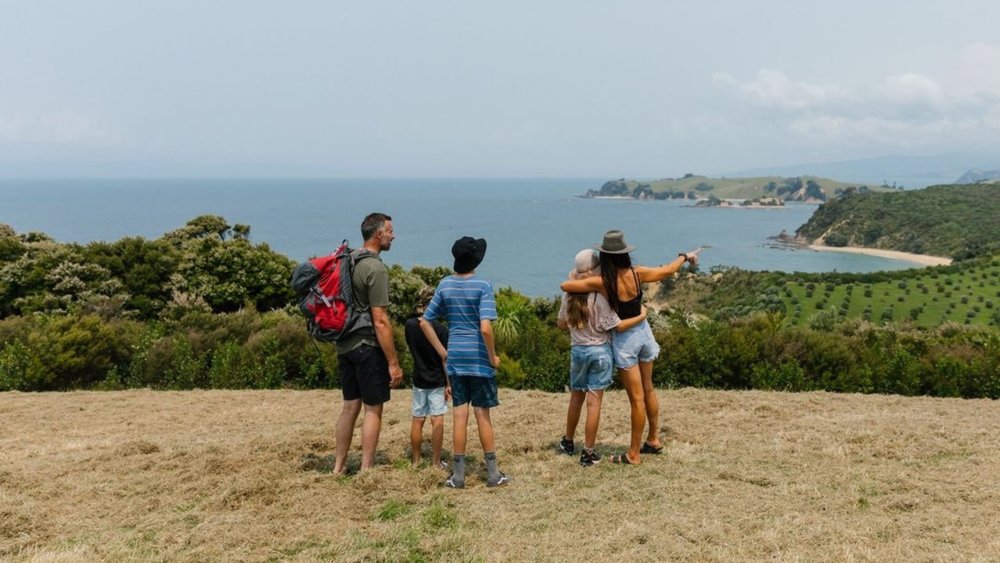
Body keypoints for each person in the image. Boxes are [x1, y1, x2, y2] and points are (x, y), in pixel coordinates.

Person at [560, 230, 699, 465]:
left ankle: (633, 454)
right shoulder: (638, 272)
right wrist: (685, 256)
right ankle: (653, 439)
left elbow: (567, 286)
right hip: (645, 333)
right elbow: (666, 271)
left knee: (636, 399)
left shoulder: (603, 282)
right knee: (648, 389)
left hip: (625, 339)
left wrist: (576, 275)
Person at [420, 236, 510, 488]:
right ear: (476, 260)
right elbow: (485, 329)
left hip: (456, 356)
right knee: (482, 414)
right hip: (479, 359)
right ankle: (493, 474)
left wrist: (443, 352)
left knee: (460, 414)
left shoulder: (444, 285)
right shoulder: (483, 286)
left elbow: (425, 322)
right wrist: (492, 357)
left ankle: (458, 476)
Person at [556, 249, 649, 466]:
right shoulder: (600, 296)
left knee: (576, 398)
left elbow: (561, 323)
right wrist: (641, 315)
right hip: (600, 352)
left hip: (578, 351)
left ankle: (568, 441)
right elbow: (617, 325)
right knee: (594, 403)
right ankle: (588, 452)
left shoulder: (568, 295)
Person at [332, 212, 404, 475]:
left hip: (344, 343)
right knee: (373, 408)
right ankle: (366, 469)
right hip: (366, 345)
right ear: (378, 234)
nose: (393, 235)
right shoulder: (375, 268)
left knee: (350, 405)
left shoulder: (347, 260)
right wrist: (393, 364)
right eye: (390, 231)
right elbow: (381, 320)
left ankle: (338, 467)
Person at [404, 286, 451, 470]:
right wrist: (449, 383)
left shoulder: (409, 325)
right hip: (436, 380)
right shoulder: (441, 330)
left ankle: (415, 461)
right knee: (437, 420)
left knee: (418, 419)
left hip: (418, 378)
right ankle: (436, 462)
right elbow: (444, 360)